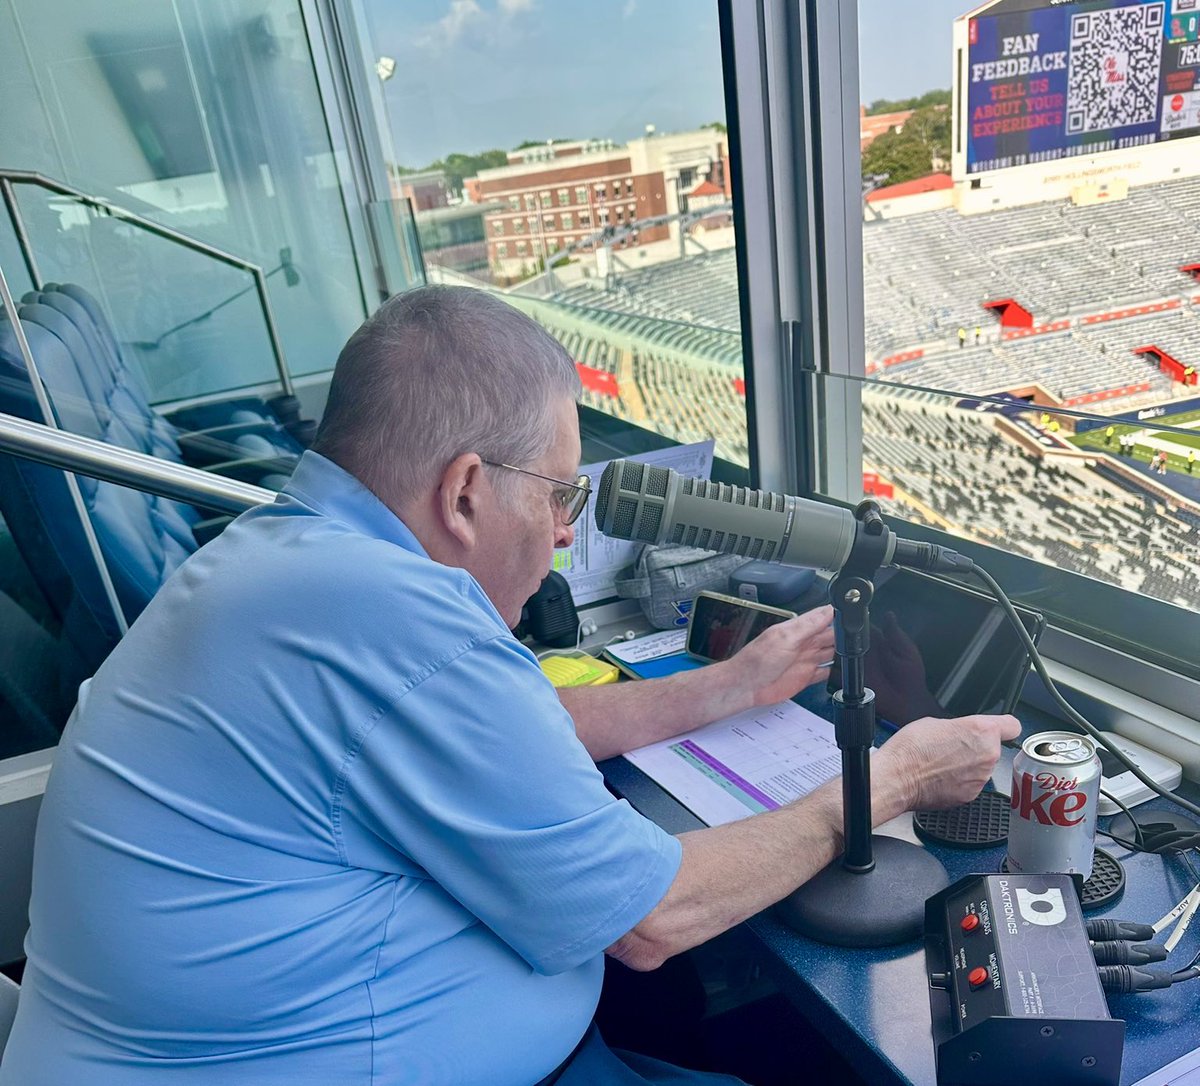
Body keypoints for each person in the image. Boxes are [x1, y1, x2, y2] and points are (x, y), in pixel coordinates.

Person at [1, 286, 1018, 1086]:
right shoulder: (395, 620)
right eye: (561, 493)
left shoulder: (288, 563)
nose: (569, 530)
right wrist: (887, 784)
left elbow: (517, 723)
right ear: (464, 491)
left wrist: (731, 687)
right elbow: (652, 920)